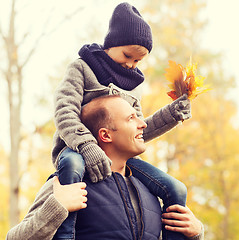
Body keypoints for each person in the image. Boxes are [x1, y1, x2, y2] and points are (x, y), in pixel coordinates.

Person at [52, 2, 191, 240]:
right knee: (72, 167)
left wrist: (171, 115)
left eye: (138, 61)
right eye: (128, 55)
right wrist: (87, 146)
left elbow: (136, 130)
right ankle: (65, 234)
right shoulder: (82, 68)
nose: (131, 64)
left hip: (118, 155)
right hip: (76, 147)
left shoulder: (133, 87)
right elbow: (64, 111)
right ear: (112, 44)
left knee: (175, 188)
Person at [6, 95, 204, 240]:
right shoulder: (68, 185)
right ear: (106, 135)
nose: (143, 124)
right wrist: (57, 207)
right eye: (131, 118)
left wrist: (196, 233)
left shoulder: (151, 191)